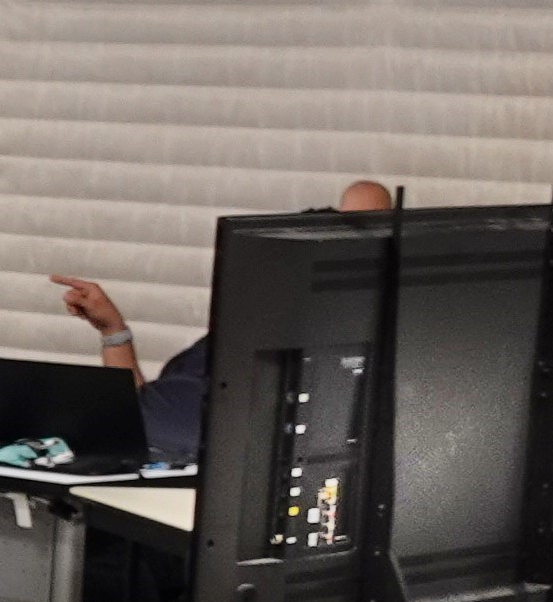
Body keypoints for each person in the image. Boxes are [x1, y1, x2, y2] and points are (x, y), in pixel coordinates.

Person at [50, 180, 395, 463]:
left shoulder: (313, 359)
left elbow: (368, 203)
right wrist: (114, 331)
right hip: (112, 459)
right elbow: (139, 408)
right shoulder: (223, 341)